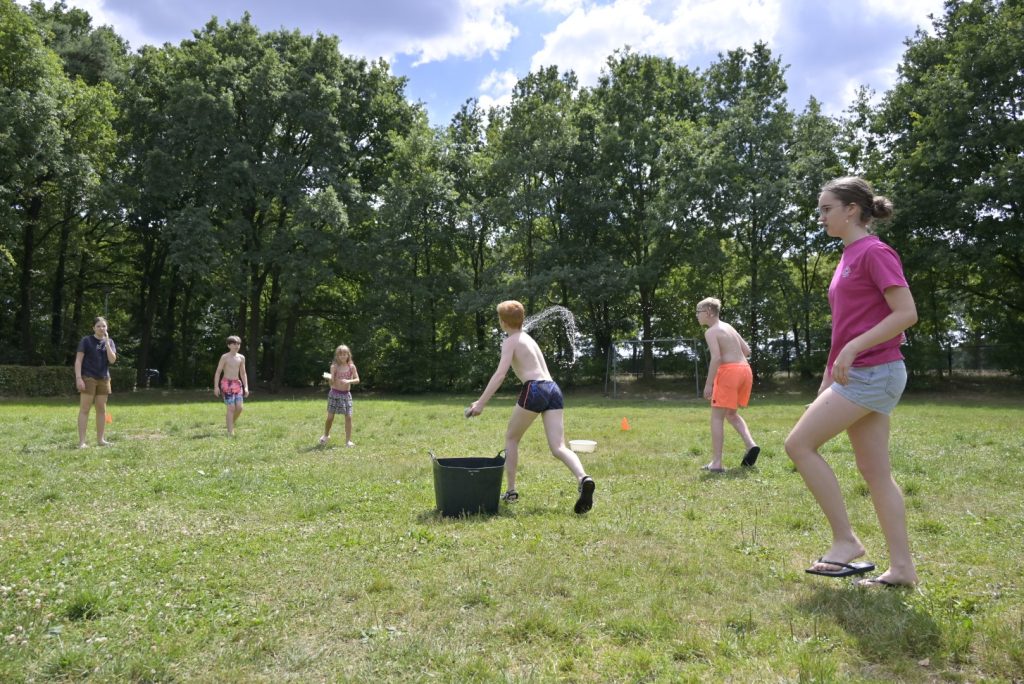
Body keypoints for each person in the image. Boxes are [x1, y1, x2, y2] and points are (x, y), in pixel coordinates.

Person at [785, 176, 918, 588]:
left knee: (799, 445)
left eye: (826, 209)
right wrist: (829, 377)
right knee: (875, 472)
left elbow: (906, 313)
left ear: (851, 210)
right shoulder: (848, 256)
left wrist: (853, 349)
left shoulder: (874, 252)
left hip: (873, 371)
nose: (821, 217)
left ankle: (845, 541)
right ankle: (902, 569)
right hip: (862, 372)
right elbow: (844, 327)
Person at [467, 300, 596, 514]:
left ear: (502, 322)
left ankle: (511, 491)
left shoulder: (510, 341)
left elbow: (500, 375)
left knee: (511, 438)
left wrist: (480, 403)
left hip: (535, 389)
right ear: (522, 319)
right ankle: (584, 478)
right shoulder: (529, 339)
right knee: (559, 447)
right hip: (553, 389)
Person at [696, 297, 760, 472]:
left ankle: (716, 463)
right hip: (745, 371)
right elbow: (747, 351)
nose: (697, 315)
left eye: (698, 312)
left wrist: (709, 384)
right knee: (731, 414)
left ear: (708, 312)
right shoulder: (728, 327)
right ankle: (751, 445)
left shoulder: (711, 332)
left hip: (730, 373)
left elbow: (716, 358)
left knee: (717, 417)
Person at [74, 316, 117, 448]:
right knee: (85, 409)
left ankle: (101, 440)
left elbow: (112, 360)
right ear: (93, 328)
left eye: (104, 326)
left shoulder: (110, 341)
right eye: (98, 326)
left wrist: (107, 343)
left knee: (102, 410)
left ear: (107, 328)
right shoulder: (86, 340)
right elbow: (78, 361)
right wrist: (79, 378)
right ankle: (82, 442)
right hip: (88, 378)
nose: (101, 328)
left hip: (104, 378)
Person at [319, 344, 359, 447]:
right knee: (330, 418)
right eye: (340, 354)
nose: (343, 356)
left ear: (348, 355)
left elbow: (357, 379)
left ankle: (348, 441)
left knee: (349, 417)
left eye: (345, 354)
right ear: (337, 356)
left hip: (346, 395)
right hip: (334, 394)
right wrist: (330, 379)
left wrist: (349, 381)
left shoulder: (351, 366)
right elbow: (332, 383)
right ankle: (326, 435)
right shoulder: (334, 367)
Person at [213, 335, 249, 436]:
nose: (237, 346)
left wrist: (246, 387)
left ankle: (230, 423)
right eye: (234, 344)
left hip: (237, 384)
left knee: (240, 408)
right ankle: (230, 432)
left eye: (238, 344)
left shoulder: (241, 357)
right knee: (231, 408)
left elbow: (243, 373)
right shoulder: (225, 357)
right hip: (226, 384)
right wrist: (216, 387)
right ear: (229, 345)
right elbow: (218, 372)